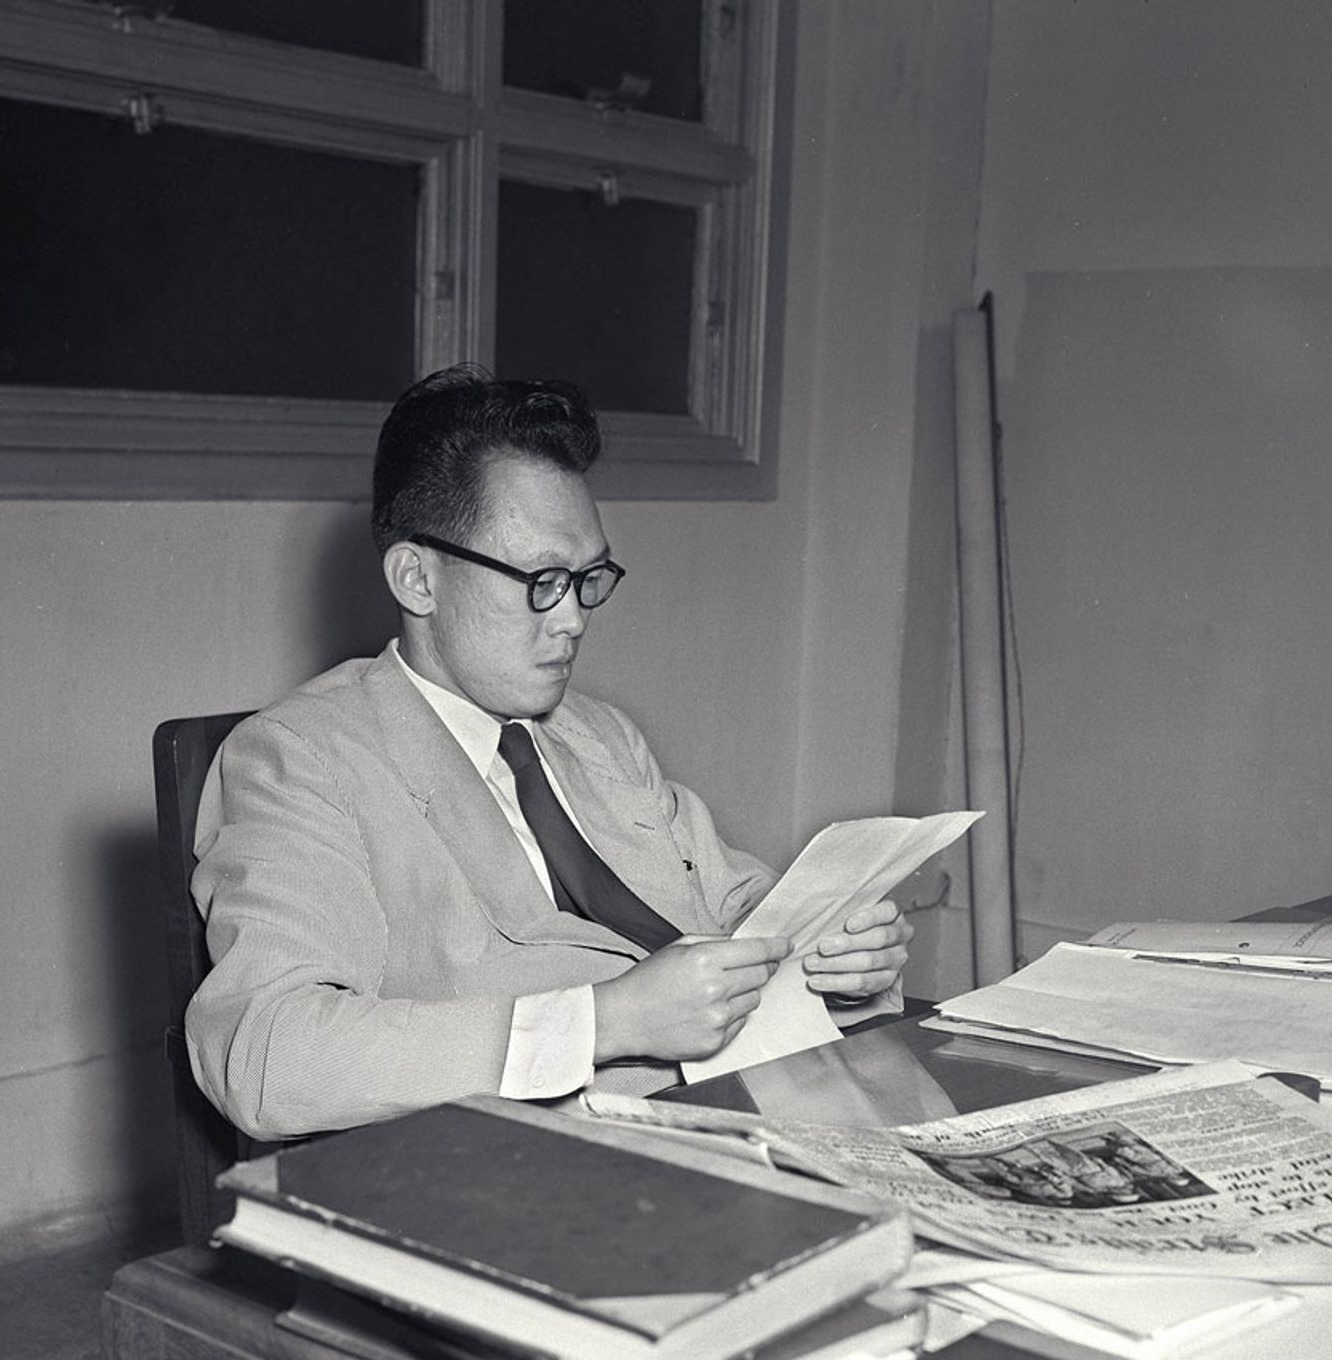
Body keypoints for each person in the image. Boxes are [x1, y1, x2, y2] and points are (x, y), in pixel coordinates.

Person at [186, 364, 912, 1140]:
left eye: (588, 577)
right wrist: (605, 1022)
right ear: (416, 579)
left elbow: (738, 905)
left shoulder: (597, 734)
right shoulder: (300, 759)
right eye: (541, 579)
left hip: (747, 1108)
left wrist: (838, 958)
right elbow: (266, 1054)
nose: (572, 620)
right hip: (532, 1158)